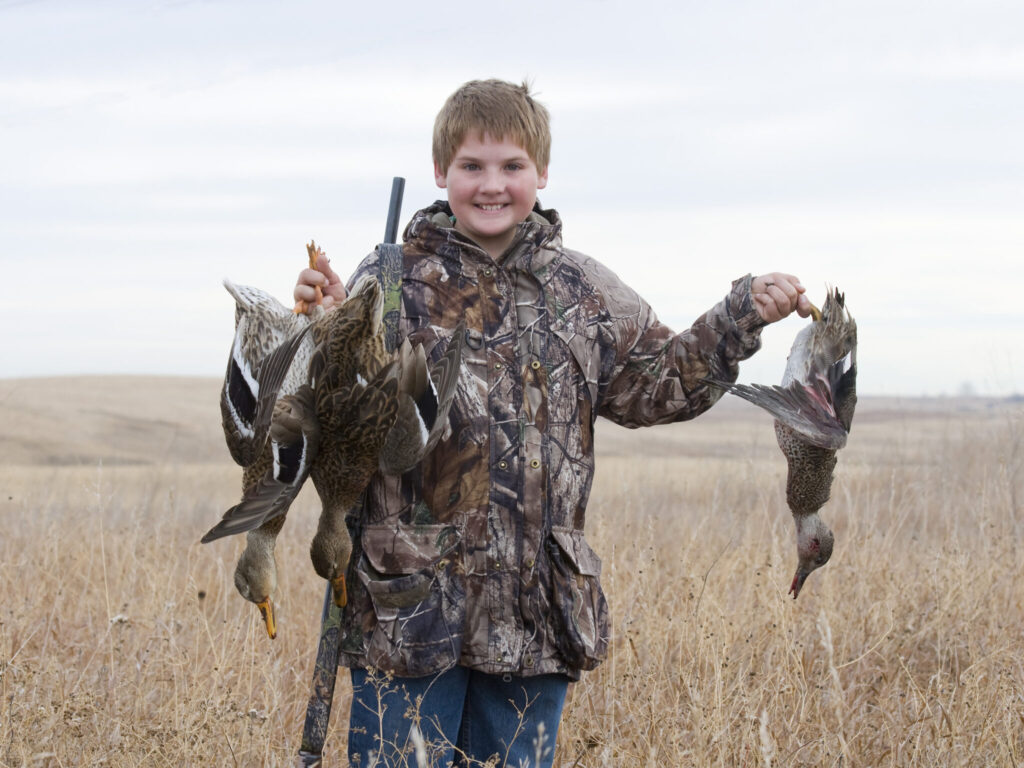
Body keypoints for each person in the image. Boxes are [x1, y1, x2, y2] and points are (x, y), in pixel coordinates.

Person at [293, 79, 811, 767]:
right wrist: (327, 323)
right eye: (472, 166)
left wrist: (740, 315)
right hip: (408, 616)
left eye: (511, 166)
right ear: (441, 171)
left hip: (534, 619)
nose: (491, 185)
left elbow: (659, 388)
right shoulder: (390, 278)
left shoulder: (582, 288)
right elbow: (338, 415)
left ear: (541, 172)